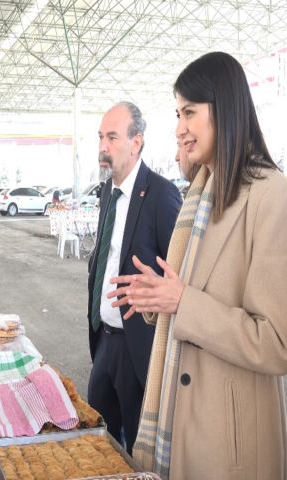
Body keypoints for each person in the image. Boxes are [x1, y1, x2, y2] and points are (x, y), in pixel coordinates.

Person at [110, 52, 287, 479]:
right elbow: (185, 297)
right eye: (177, 113)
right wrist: (157, 296)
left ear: (224, 108)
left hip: (228, 437)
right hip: (178, 418)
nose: (180, 129)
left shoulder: (270, 196)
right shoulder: (197, 196)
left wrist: (181, 302)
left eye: (189, 112)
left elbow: (276, 341)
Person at [87, 101, 182, 454]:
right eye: (100, 137)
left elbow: (178, 272)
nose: (102, 146)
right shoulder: (107, 194)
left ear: (136, 142)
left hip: (137, 346)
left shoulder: (160, 194)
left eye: (112, 137)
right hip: (104, 340)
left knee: (137, 453)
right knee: (97, 440)